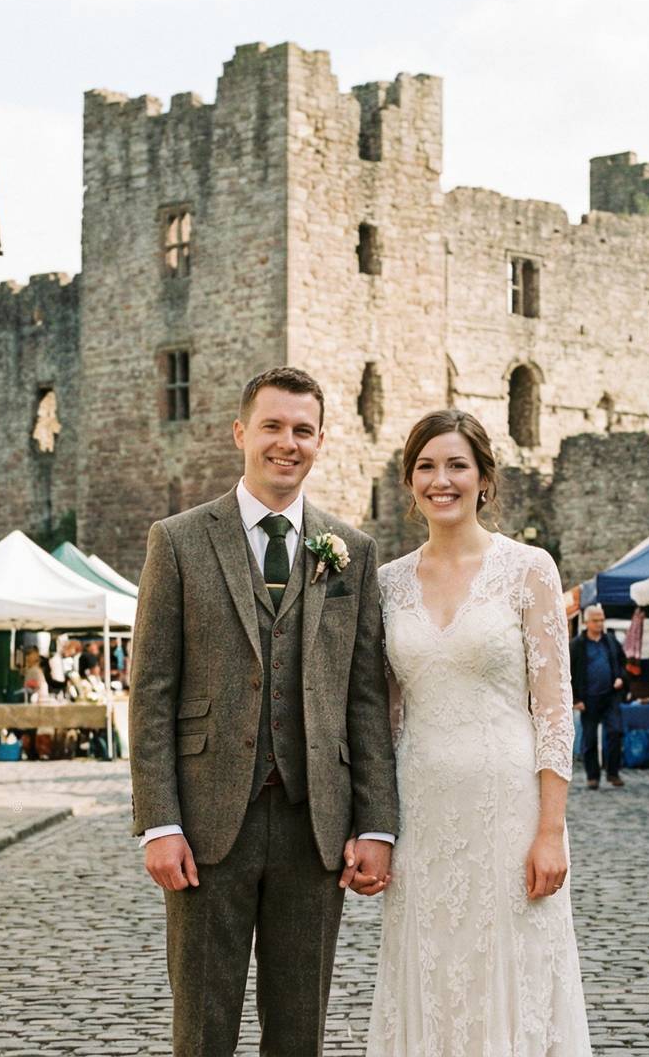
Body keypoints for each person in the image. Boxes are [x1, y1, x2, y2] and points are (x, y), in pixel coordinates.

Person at [130, 367, 398, 1056]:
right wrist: (158, 823)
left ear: (321, 441)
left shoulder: (354, 553)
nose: (288, 442)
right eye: (273, 426)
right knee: (202, 1028)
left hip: (316, 826)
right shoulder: (180, 540)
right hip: (207, 824)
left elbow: (366, 700)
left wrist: (376, 825)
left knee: (299, 1031)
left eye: (303, 430)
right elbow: (153, 691)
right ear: (240, 433)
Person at [369, 409, 590, 1053]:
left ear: (484, 479)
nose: (442, 480)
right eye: (426, 467)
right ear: (410, 483)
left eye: (457, 465)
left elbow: (553, 708)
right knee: (432, 968)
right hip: (423, 809)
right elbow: (382, 718)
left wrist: (550, 831)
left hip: (510, 808)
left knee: (511, 966)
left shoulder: (529, 570)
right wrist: (373, 824)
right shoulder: (386, 584)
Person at [568, 604, 627, 790]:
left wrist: (619, 677)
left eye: (602, 619)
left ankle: (613, 772)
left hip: (610, 696)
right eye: (596, 620)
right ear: (586, 622)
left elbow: (622, 662)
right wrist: (575, 699)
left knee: (615, 732)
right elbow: (568, 672)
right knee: (590, 738)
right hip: (588, 699)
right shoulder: (577, 645)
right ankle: (592, 776)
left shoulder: (610, 640)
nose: (600, 623)